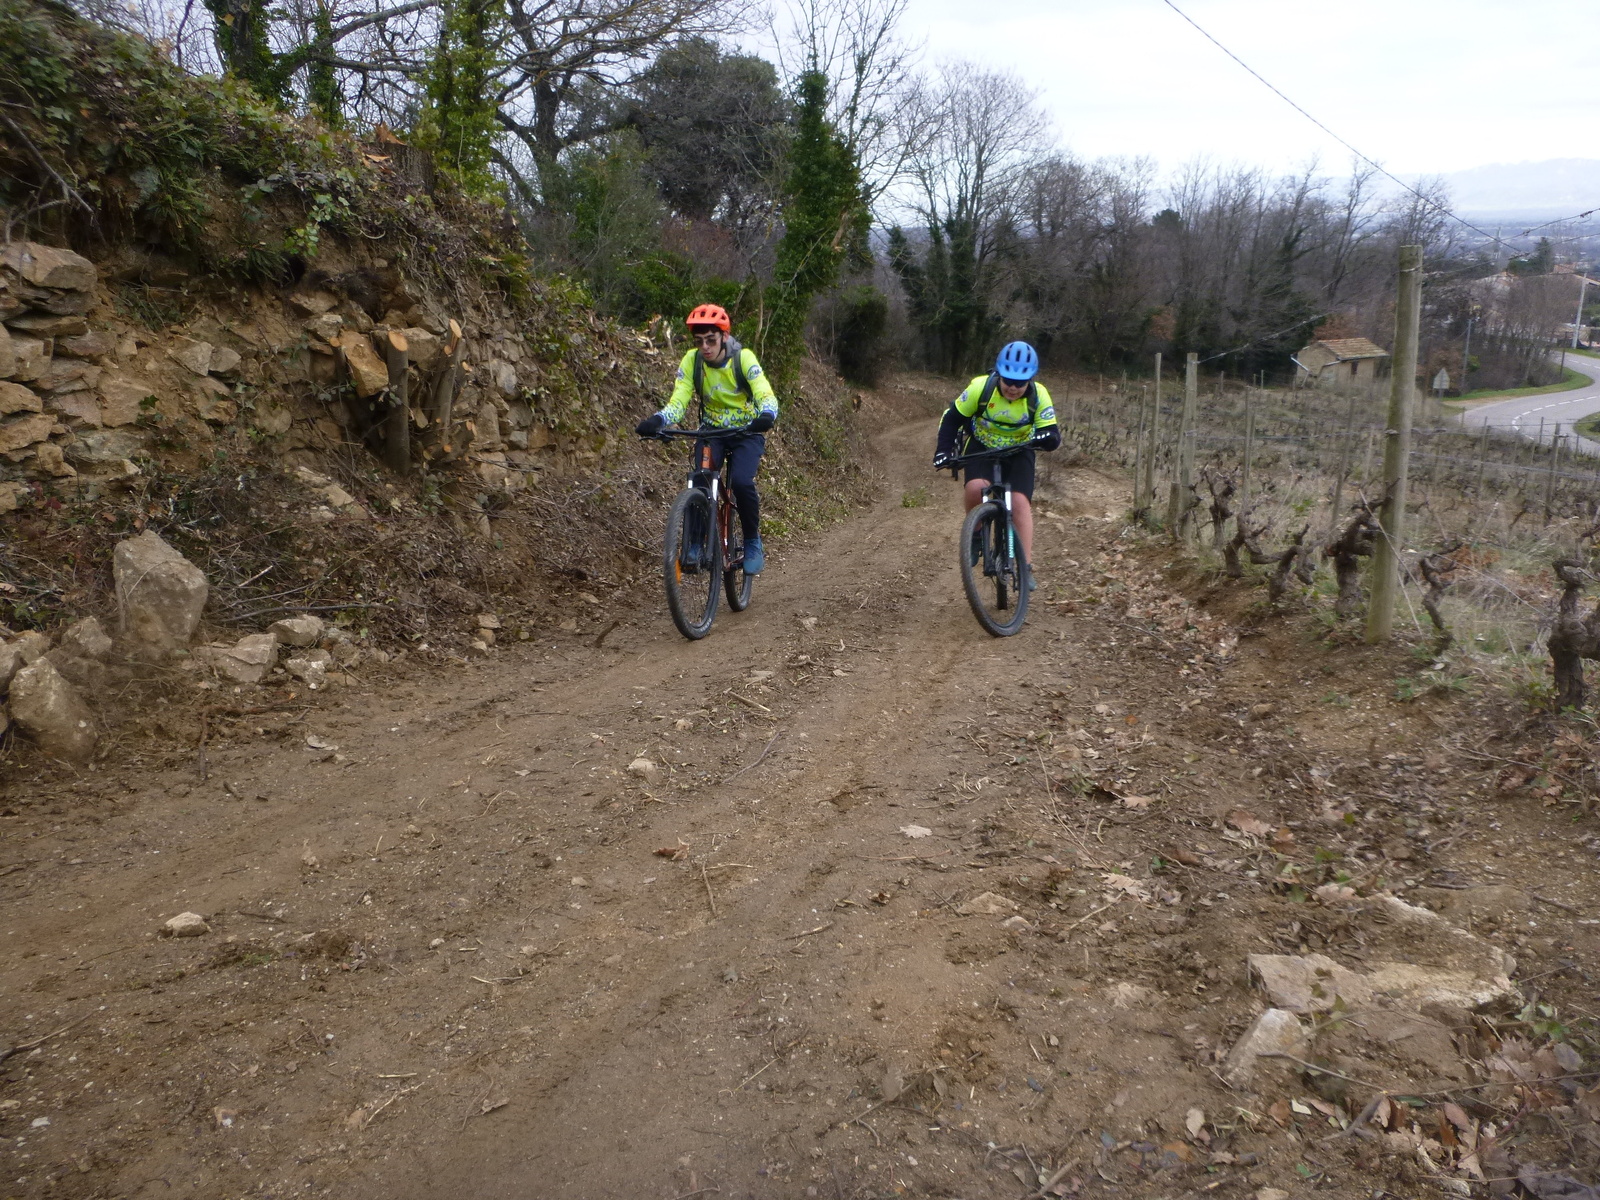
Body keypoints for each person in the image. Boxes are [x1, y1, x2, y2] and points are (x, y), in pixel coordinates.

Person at [635, 304, 778, 573]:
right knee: (700, 480)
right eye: (699, 341)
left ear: (724, 336)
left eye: (711, 340)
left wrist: (767, 415)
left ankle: (752, 541)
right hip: (712, 433)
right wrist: (658, 420)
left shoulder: (743, 358)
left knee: (741, 482)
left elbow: (765, 394)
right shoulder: (693, 361)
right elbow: (678, 401)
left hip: (746, 433)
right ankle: (695, 543)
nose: (705, 347)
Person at [932, 341, 1061, 574]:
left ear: (1030, 380)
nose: (1013, 387)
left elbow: (1051, 433)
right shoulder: (980, 388)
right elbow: (952, 419)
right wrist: (943, 451)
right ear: (998, 374)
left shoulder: (1039, 395)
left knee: (1019, 502)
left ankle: (1025, 567)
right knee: (975, 488)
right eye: (1008, 380)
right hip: (983, 445)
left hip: (1020, 450)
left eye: (1020, 383)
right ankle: (975, 533)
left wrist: (1047, 438)